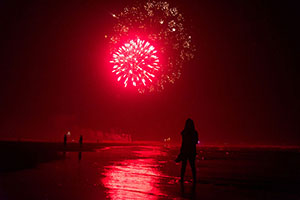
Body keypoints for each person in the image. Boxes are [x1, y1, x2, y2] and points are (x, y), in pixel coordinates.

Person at [176, 118, 198, 184]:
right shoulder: (191, 132)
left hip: (189, 151)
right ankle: (184, 179)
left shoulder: (187, 132)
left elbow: (194, 141)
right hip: (187, 151)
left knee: (190, 166)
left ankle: (191, 179)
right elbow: (185, 142)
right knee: (186, 166)